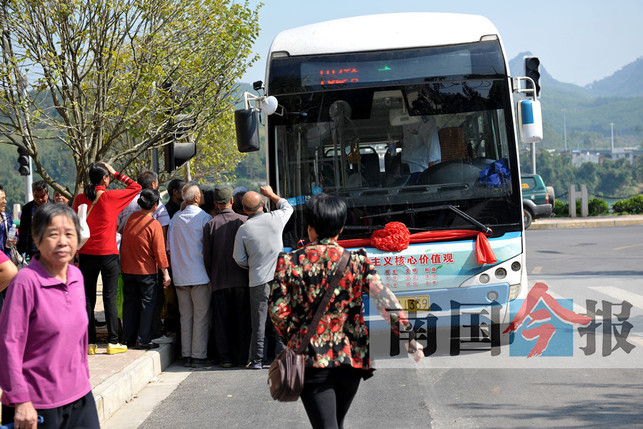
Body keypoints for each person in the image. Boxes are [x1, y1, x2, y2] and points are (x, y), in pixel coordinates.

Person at [270, 193, 423, 428]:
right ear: (340, 228)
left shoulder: (290, 262)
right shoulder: (357, 262)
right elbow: (385, 300)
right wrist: (408, 337)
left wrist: (293, 336)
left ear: (310, 227)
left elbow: (278, 312)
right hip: (351, 358)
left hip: (311, 358)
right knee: (336, 422)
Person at [0, 203, 100, 429]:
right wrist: (20, 400)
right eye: (53, 235)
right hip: (36, 404)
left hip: (80, 397)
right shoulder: (25, 282)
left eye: (69, 234)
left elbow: (80, 337)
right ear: (37, 239)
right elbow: (9, 345)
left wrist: (83, 376)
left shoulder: (76, 276)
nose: (63, 241)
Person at [74, 162, 142, 355]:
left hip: (86, 253)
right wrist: (117, 172)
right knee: (109, 297)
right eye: (109, 176)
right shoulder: (111, 197)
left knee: (87, 298)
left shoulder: (80, 198)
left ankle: (90, 343)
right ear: (105, 178)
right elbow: (136, 187)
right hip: (108, 253)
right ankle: (113, 342)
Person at [233, 185, 293, 369]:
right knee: (280, 317)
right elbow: (287, 207)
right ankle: (282, 356)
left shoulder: (244, 229)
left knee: (258, 321)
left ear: (244, 210)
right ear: (263, 204)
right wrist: (272, 194)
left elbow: (238, 258)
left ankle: (257, 360)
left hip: (257, 280)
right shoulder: (275, 218)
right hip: (279, 277)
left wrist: (253, 265)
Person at [116, 170, 171, 345]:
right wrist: (166, 273)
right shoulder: (153, 224)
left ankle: (128, 338)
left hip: (127, 269)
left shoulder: (131, 218)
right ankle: (144, 339)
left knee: (130, 304)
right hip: (146, 271)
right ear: (155, 206)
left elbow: (122, 233)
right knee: (147, 305)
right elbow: (159, 251)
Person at [203, 186, 250, 368]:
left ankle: (225, 358)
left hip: (219, 280)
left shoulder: (210, 225)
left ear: (215, 203)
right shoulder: (244, 221)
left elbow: (207, 257)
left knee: (222, 322)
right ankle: (243, 355)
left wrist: (212, 275)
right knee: (243, 320)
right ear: (232, 200)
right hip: (242, 279)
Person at [167, 183, 212, 368]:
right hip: (200, 274)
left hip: (180, 275)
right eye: (200, 194)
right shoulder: (205, 218)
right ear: (195, 198)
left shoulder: (175, 219)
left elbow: (169, 248)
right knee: (201, 316)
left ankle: (186, 354)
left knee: (185, 316)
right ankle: (198, 356)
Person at [401, 116, 441, 184]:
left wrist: (431, 179)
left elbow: (433, 151)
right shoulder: (403, 118)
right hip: (404, 169)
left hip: (419, 170)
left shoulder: (427, 121)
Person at [17, 180, 51, 260]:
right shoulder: (27, 209)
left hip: (51, 248)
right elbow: (23, 230)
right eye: (36, 196)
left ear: (47, 193)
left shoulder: (54, 207)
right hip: (34, 250)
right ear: (33, 194)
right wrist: (21, 249)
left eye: (42, 196)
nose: (39, 200)